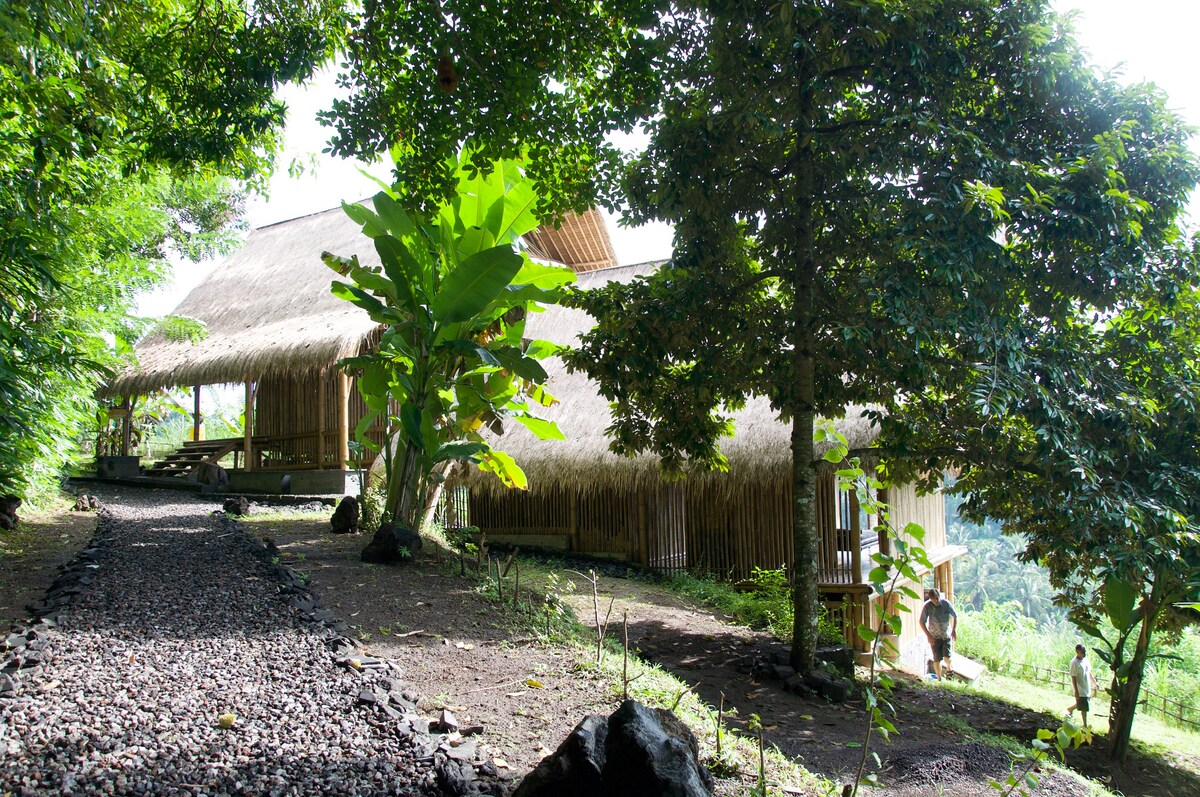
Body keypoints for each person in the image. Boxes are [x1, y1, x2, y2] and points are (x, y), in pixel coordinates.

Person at [919, 587, 957, 680]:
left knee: (947, 657)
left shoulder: (946, 604)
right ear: (930, 599)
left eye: (936, 598)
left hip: (945, 635)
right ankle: (939, 679)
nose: (935, 601)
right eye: (933, 599)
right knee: (936, 659)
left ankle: (949, 670)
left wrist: (954, 630)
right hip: (934, 636)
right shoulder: (927, 606)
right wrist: (929, 636)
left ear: (939, 596)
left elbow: (955, 616)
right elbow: (921, 621)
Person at [1067, 644, 1100, 728]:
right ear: (1077, 652)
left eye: (1085, 652)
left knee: (1082, 703)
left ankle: (1070, 709)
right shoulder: (1074, 662)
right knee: (1084, 707)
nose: (1084, 653)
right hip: (1080, 687)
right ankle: (1085, 724)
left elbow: (1088, 672)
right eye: (1082, 652)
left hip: (1086, 685)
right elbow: (1073, 677)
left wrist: (1094, 683)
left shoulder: (1085, 660)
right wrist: (1076, 690)